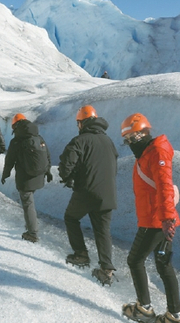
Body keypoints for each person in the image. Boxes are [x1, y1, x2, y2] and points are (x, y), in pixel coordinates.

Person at [120, 113, 180, 323]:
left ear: (141, 134)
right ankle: (173, 316)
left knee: (135, 260)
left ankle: (144, 309)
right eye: (126, 140)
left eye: (131, 138)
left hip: (156, 220)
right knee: (164, 265)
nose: (129, 143)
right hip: (160, 218)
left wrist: (166, 219)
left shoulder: (156, 152)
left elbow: (165, 186)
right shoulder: (148, 152)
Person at [58, 105, 118, 286]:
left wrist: (68, 178)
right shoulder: (108, 141)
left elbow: (66, 165)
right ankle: (106, 269)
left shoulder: (80, 140)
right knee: (102, 230)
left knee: (70, 217)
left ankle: (81, 254)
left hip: (87, 191)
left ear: (82, 123)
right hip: (107, 193)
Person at [1, 113, 53, 243]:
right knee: (30, 201)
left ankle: (32, 233)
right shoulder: (38, 137)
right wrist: (48, 171)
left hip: (25, 177)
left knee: (28, 203)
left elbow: (10, 160)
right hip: (39, 176)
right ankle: (31, 224)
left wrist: (5, 174)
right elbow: (47, 154)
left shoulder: (17, 141)